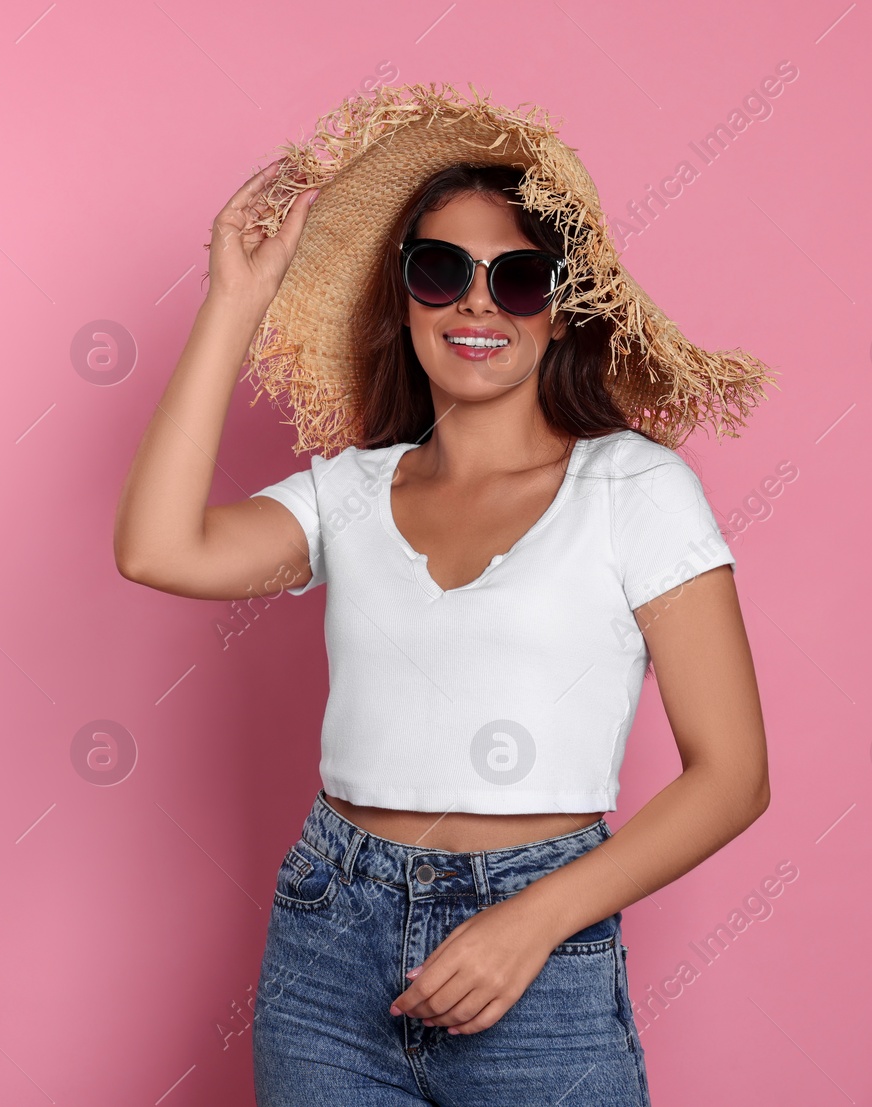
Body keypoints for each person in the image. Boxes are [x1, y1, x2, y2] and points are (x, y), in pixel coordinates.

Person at [115, 83, 774, 1107]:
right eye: (439, 271)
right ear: (405, 297)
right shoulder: (348, 492)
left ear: (563, 311)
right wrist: (234, 305)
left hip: (539, 955)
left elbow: (731, 776)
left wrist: (533, 919)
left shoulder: (636, 488)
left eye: (516, 278)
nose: (475, 303)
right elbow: (158, 549)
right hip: (329, 942)